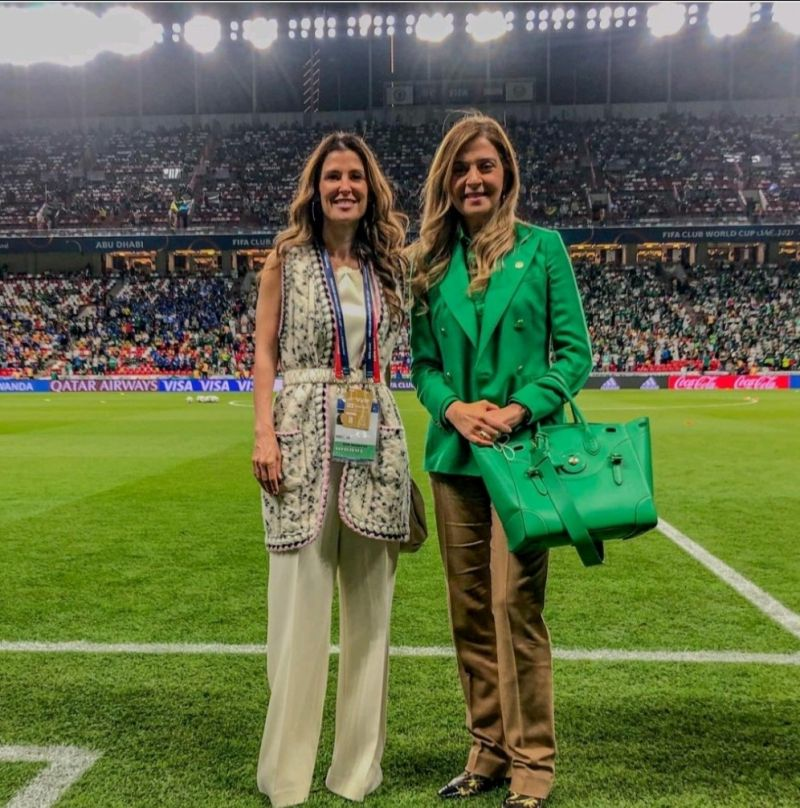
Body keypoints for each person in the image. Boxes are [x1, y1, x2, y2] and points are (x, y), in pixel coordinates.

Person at [409, 114, 592, 808]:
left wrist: (518, 409)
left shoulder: (543, 249)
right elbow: (423, 364)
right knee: (470, 610)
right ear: (446, 181)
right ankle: (485, 749)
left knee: (516, 603)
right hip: (456, 456)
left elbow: (575, 354)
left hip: (523, 454)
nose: (473, 178)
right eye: (461, 168)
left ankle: (533, 762)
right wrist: (453, 408)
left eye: (485, 166)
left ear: (506, 174)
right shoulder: (427, 261)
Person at [251, 132, 411, 807]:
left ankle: (356, 770)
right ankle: (286, 775)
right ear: (314, 190)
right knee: (297, 611)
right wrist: (263, 431)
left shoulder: (391, 267)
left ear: (370, 189)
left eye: (355, 177)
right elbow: (262, 353)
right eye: (332, 177)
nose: (344, 186)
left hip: (372, 432)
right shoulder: (283, 262)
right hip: (300, 433)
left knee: (372, 615)